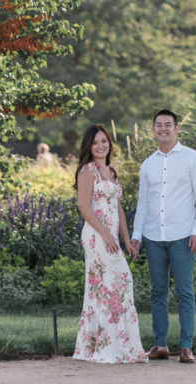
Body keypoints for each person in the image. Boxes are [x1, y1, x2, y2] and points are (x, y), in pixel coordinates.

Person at [128, 108, 196, 364]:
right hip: (153, 237)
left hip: (183, 236)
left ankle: (186, 346)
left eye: (168, 124)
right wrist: (136, 235)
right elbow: (143, 202)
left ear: (176, 128)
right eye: (158, 124)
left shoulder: (193, 158)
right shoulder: (148, 164)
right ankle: (160, 345)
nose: (163, 128)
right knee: (157, 292)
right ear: (153, 129)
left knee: (185, 291)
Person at [70, 125, 147, 364]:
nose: (101, 146)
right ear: (88, 147)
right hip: (96, 236)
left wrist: (126, 239)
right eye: (95, 143)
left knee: (107, 287)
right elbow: (84, 206)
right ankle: (108, 348)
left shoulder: (111, 170)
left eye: (104, 141)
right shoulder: (87, 171)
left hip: (112, 236)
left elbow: (119, 209)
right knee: (119, 282)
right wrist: (105, 234)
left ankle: (108, 346)